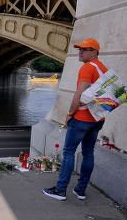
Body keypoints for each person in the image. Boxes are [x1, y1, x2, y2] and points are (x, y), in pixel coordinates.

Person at [43, 38, 107, 201]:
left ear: (94, 52)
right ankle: (80, 190)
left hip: (82, 119)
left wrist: (70, 113)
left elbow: (79, 94)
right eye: (80, 49)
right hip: (97, 120)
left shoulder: (87, 68)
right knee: (88, 153)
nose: (80, 51)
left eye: (84, 49)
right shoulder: (103, 69)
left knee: (68, 152)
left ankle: (60, 189)